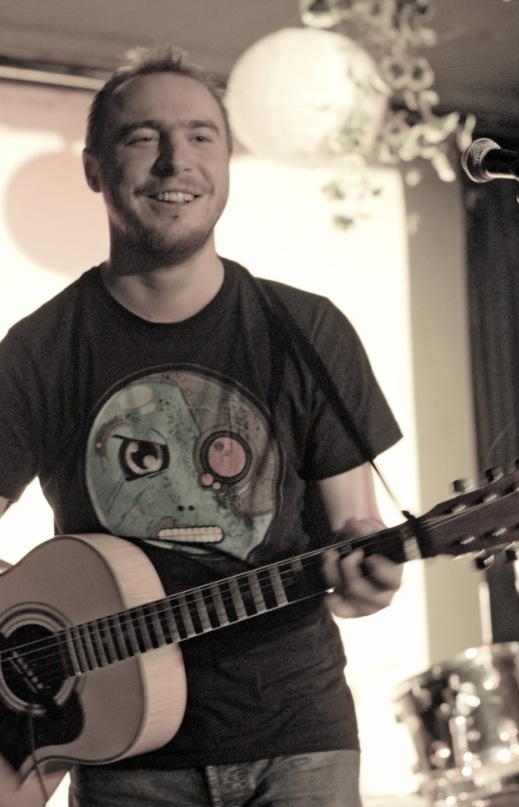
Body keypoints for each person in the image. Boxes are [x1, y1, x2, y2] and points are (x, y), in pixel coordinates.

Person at [0, 46, 403, 807]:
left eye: (200, 136)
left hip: (299, 740)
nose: (175, 161)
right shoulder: (40, 350)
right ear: (94, 169)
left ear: (226, 162)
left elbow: (356, 529)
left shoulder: (308, 330)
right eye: (142, 137)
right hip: (121, 754)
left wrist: (368, 577)